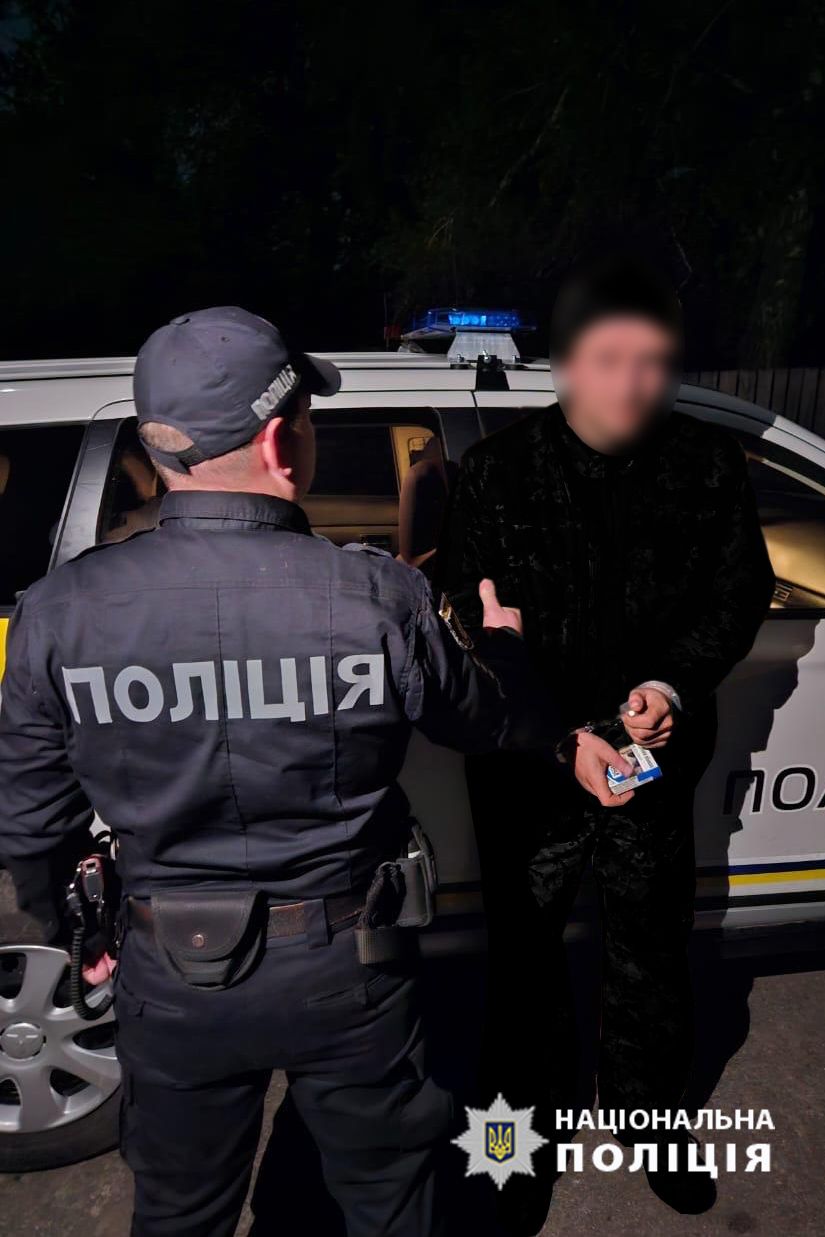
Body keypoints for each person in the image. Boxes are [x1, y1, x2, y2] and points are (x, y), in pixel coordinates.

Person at [0, 306, 628, 1237]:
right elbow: (494, 721)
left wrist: (76, 927)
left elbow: (30, 820)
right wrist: (505, 645)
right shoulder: (378, 595)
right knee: (385, 1198)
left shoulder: (59, 610)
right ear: (277, 441)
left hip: (168, 970)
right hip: (348, 965)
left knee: (179, 1209)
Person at [437, 255, 775, 1229]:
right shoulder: (496, 471)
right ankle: (512, 1149)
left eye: (653, 360)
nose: (632, 382)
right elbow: (467, 619)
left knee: (652, 955)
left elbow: (736, 595)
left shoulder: (707, 465)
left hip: (651, 760)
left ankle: (652, 1123)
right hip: (529, 768)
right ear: (564, 363)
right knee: (523, 967)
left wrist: (668, 687)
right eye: (609, 358)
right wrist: (558, 738)